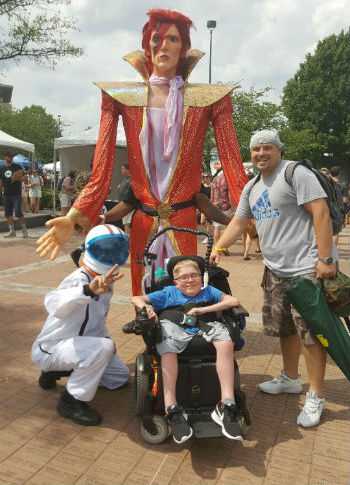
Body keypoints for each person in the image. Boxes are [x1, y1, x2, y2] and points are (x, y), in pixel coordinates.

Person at [36, 8, 247, 295]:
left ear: (183, 47)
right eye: (156, 38)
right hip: (143, 219)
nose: (163, 45)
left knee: (185, 289)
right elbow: (101, 168)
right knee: (143, 295)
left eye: (172, 39)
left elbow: (233, 164)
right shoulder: (121, 98)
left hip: (184, 219)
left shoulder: (209, 99)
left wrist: (251, 211)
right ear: (147, 46)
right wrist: (75, 215)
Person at [211, 129, 337, 428]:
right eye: (256, 149)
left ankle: (316, 394)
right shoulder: (252, 186)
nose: (261, 154)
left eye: (267, 148)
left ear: (279, 150)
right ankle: (291, 378)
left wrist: (326, 258)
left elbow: (320, 212)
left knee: (311, 335)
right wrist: (219, 246)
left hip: (306, 268)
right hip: (275, 269)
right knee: (284, 329)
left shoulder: (296, 173)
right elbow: (240, 221)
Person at [132, 256, 243, 444]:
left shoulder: (208, 291)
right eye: (184, 277)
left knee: (226, 341)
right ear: (175, 281)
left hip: (204, 327)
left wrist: (205, 310)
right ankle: (171, 407)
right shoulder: (168, 293)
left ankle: (226, 404)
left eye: (194, 275)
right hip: (174, 330)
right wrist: (147, 309)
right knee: (167, 349)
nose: (190, 280)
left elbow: (233, 301)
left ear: (202, 277)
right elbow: (136, 298)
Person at [32, 224, 130, 426]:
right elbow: (54, 303)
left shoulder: (105, 279)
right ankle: (71, 401)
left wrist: (107, 345)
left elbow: (95, 320)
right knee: (101, 349)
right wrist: (86, 291)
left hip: (79, 345)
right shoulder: (78, 279)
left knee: (119, 378)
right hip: (53, 348)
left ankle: (60, 371)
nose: (111, 252)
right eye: (106, 249)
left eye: (115, 249)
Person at [0, 151, 28, 238]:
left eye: (11, 156)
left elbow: (25, 179)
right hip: (6, 194)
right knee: (8, 214)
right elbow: (1, 181)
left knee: (18, 212)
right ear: (5, 157)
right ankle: (12, 232)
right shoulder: (2, 168)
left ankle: (24, 231)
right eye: (9, 156)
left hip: (16, 194)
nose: (10, 158)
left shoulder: (17, 166)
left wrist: (17, 178)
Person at [210, 160, 235, 254]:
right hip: (225, 205)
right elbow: (229, 193)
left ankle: (217, 246)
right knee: (227, 226)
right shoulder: (226, 178)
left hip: (214, 205)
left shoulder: (214, 179)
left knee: (216, 227)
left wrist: (212, 203)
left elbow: (211, 193)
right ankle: (223, 247)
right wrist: (232, 205)